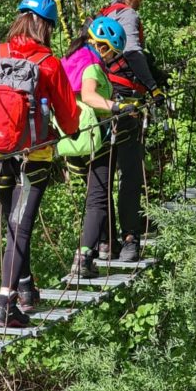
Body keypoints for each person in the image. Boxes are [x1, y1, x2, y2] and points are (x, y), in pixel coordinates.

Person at [0, 0, 80, 328]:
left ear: (21, 18)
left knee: (11, 220)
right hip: (34, 155)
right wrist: (74, 129)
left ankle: (24, 287)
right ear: (47, 26)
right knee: (21, 227)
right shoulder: (49, 63)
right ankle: (5, 302)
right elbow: (69, 117)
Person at [98, 0, 165, 261]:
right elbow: (134, 53)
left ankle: (105, 241)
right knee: (129, 173)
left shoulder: (97, 18)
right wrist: (153, 87)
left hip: (99, 103)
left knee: (103, 174)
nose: (140, 2)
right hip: (126, 103)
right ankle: (129, 240)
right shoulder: (129, 15)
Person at [60, 17, 137, 277]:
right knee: (98, 200)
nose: (110, 59)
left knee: (98, 195)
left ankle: (106, 246)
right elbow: (91, 96)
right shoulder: (92, 65)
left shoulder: (69, 61)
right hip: (96, 138)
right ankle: (83, 258)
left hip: (70, 140)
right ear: (101, 46)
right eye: (110, 52)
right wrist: (117, 106)